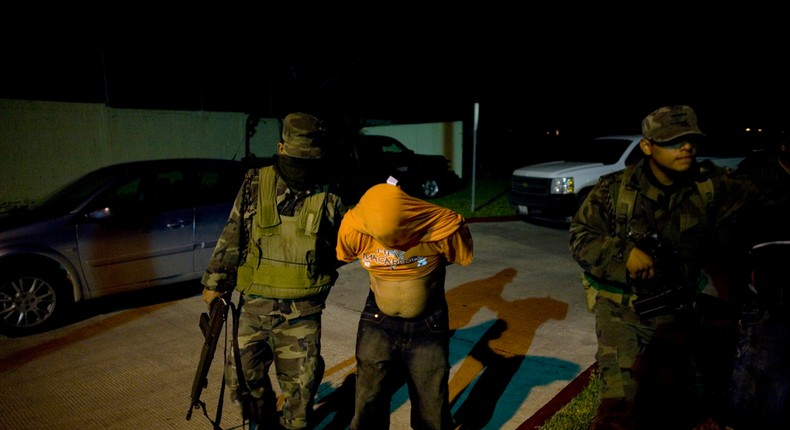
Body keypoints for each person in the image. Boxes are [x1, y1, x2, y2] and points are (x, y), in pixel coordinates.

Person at [568, 105, 757, 430]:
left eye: (691, 139)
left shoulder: (710, 186)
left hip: (680, 316)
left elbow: (767, 198)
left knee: (679, 408)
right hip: (622, 318)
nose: (685, 147)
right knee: (621, 411)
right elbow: (581, 238)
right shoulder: (614, 190)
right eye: (673, 140)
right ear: (647, 146)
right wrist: (622, 254)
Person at [201, 112, 347, 430]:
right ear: (281, 148)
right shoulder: (256, 182)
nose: (303, 167)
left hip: (302, 310)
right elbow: (234, 232)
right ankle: (263, 422)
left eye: (311, 159)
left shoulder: (331, 191)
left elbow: (344, 246)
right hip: (254, 304)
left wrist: (318, 263)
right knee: (241, 377)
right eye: (298, 158)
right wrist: (216, 280)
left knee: (301, 390)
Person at [335, 177, 474, 430]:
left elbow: (457, 254)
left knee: (431, 405)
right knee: (368, 400)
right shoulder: (354, 228)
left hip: (427, 324)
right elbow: (344, 253)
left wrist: (418, 259)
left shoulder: (440, 226)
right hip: (378, 321)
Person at [722, 130, 790, 428]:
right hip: (764, 299)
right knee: (756, 375)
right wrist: (739, 295)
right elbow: (727, 239)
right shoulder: (752, 176)